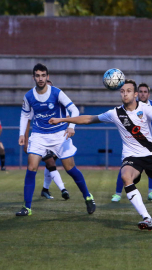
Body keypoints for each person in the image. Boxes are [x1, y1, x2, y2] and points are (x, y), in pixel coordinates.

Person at [49, 79, 152, 230]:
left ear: (135, 94)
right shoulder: (115, 113)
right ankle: (147, 218)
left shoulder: (145, 108)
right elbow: (88, 119)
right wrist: (63, 119)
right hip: (132, 157)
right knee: (126, 176)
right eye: (122, 91)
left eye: (129, 91)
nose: (125, 94)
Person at [17, 63, 95, 216]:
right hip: (39, 135)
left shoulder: (57, 92)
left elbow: (74, 109)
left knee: (70, 169)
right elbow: (25, 115)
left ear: (48, 77)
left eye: (43, 75)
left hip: (60, 135)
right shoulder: (28, 96)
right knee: (31, 167)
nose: (40, 78)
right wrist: (22, 134)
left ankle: (88, 196)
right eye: (37, 75)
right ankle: (27, 207)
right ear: (33, 77)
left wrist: (71, 126)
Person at [111, 82, 152, 202]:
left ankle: (151, 192)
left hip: (149, 140)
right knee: (126, 166)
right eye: (141, 91)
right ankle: (118, 193)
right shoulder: (128, 105)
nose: (143, 94)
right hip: (132, 140)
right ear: (136, 93)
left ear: (149, 94)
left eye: (145, 92)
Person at [23, 79, 69, 200]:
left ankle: (45, 189)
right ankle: (63, 189)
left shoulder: (58, 101)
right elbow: (27, 119)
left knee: (51, 164)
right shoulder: (35, 103)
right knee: (50, 163)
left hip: (57, 138)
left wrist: (68, 129)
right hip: (41, 138)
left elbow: (69, 116)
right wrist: (25, 140)